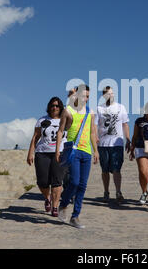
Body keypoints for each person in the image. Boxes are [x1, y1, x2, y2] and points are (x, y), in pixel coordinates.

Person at [55, 84, 99, 229]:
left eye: (87, 96)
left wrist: (96, 151)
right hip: (73, 150)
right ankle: (63, 204)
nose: (85, 99)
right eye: (83, 95)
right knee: (74, 182)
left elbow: (93, 132)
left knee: (82, 185)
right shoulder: (68, 111)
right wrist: (57, 150)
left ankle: (75, 216)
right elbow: (60, 131)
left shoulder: (90, 112)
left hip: (86, 152)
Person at [27, 97, 67, 217]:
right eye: (52, 105)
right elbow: (35, 137)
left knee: (57, 181)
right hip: (43, 153)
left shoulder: (65, 120)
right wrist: (30, 153)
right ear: (49, 107)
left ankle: (55, 206)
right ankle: (47, 197)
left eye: (57, 106)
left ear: (61, 108)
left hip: (60, 153)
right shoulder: (42, 120)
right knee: (42, 182)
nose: (55, 108)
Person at [96, 86, 131, 204]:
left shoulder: (121, 107)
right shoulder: (99, 109)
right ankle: (106, 192)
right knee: (104, 169)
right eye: (107, 94)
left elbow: (125, 124)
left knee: (117, 169)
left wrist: (128, 139)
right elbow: (95, 125)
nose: (110, 96)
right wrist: (95, 138)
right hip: (103, 143)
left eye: (111, 94)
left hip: (117, 143)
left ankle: (118, 192)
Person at [130, 101, 148, 207]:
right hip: (141, 148)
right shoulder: (139, 121)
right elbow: (135, 135)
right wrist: (132, 148)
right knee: (143, 171)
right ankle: (144, 192)